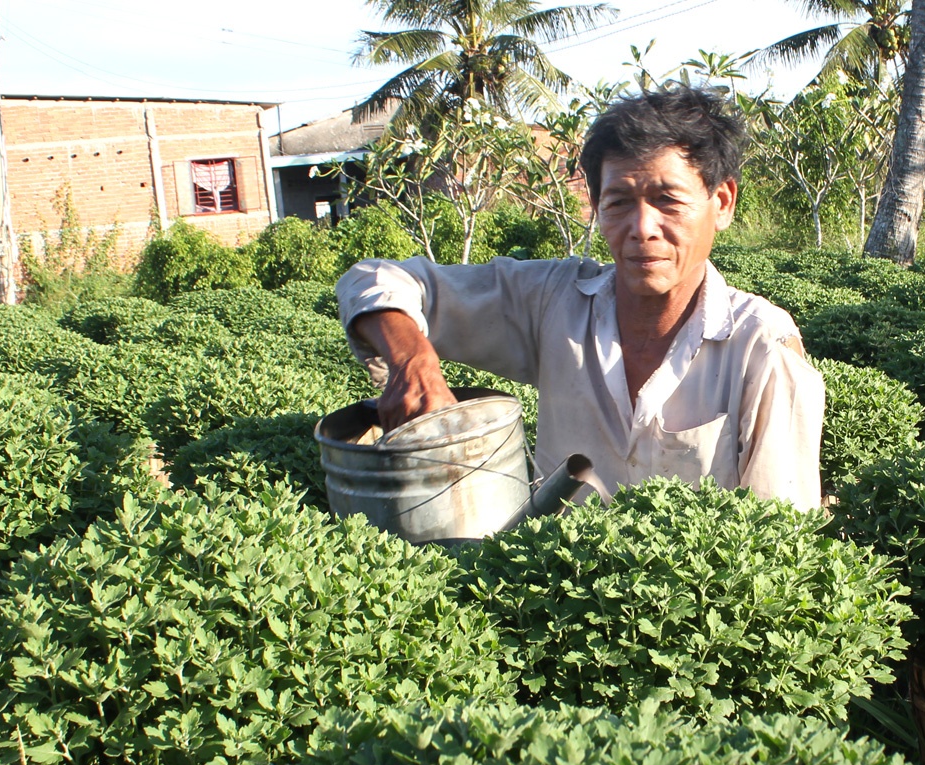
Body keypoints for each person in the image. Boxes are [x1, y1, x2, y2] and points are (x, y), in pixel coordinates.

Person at [335, 87, 826, 510]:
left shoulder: (762, 347)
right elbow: (375, 277)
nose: (641, 229)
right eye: (619, 203)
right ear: (596, 209)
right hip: (551, 602)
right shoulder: (552, 301)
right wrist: (410, 357)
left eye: (667, 201)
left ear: (721, 203)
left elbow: (778, 539)